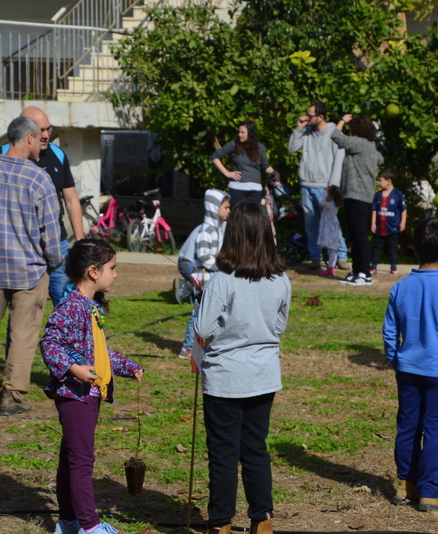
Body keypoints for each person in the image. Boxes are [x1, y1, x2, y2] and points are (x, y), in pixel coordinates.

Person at [195, 199, 291, 534]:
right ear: (266, 233)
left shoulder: (221, 280)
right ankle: (262, 520)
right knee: (255, 449)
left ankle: (220, 524)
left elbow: (204, 329)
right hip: (263, 376)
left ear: (231, 235)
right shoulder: (281, 280)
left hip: (225, 378)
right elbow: (279, 327)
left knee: (223, 453)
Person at [0, 116, 63, 415]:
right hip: (30, 273)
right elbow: (51, 234)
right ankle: (11, 396)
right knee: (23, 336)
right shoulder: (38, 179)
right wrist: (53, 263)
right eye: (39, 137)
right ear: (29, 139)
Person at [39, 240, 143, 534]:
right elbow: (49, 343)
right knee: (82, 461)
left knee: (70, 458)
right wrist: (73, 369)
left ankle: (69, 522)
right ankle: (90, 526)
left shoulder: (89, 305)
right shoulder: (72, 306)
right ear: (93, 271)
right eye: (112, 268)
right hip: (74, 395)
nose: (116, 274)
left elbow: (98, 353)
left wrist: (129, 367)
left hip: (88, 394)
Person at [383, 218, 438, 512]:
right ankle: (430, 493)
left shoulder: (400, 287)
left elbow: (389, 331)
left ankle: (405, 485)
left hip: (408, 370)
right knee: (434, 431)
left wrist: (395, 358)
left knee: (407, 426)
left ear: (414, 248)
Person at [0, 106, 85, 306]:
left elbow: (71, 200)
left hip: (58, 242)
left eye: (49, 129)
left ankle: (65, 338)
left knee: (64, 300)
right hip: (22, 245)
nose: (46, 135)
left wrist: (80, 241)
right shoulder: (5, 155)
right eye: (41, 130)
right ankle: (18, 339)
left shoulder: (58, 154)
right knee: (22, 304)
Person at [288, 102, 350, 270]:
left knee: (331, 222)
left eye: (310, 115)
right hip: (306, 184)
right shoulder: (306, 132)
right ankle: (316, 257)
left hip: (325, 186)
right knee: (311, 224)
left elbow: (339, 159)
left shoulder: (334, 132)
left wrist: (333, 185)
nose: (306, 118)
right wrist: (299, 128)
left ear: (320, 117)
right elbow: (292, 148)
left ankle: (342, 256)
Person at [177, 189, 231, 360]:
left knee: (202, 308)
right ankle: (187, 348)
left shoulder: (219, 227)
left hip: (206, 272)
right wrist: (222, 268)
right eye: (226, 207)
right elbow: (204, 257)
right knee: (199, 310)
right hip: (191, 265)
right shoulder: (207, 230)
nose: (229, 211)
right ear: (214, 208)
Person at [331, 113, 384, 285]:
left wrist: (342, 121)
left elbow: (336, 136)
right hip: (361, 194)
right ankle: (357, 271)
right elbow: (380, 159)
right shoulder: (370, 146)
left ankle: (364, 274)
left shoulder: (359, 143)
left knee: (359, 235)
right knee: (355, 235)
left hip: (356, 194)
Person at [211, 121, 280, 207]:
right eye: (239, 132)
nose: (240, 134)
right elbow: (215, 156)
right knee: (237, 217)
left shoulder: (260, 147)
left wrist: (275, 173)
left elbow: (265, 166)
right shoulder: (234, 145)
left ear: (250, 133)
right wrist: (227, 173)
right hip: (237, 188)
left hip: (255, 189)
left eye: (243, 132)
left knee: (253, 218)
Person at [370, 169, 406, 277]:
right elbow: (374, 209)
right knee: (377, 247)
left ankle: (394, 266)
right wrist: (373, 223)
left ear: (388, 181)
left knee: (392, 247)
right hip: (380, 228)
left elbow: (403, 209)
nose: (378, 183)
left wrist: (403, 222)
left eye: (380, 180)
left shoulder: (398, 194)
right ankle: (373, 266)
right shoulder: (378, 195)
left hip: (393, 227)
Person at [317, 185, 343, 277]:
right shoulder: (332, 204)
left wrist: (324, 191)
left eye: (328, 195)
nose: (326, 196)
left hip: (331, 229)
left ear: (332, 197)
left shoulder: (330, 205)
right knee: (331, 249)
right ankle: (330, 267)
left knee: (332, 249)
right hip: (330, 228)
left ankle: (331, 268)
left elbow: (321, 201)